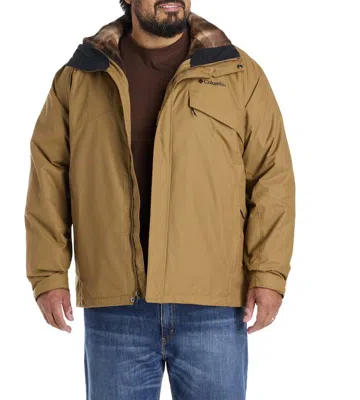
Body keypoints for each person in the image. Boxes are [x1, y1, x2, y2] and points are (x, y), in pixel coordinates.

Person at [24, 1, 296, 398]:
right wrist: (48, 274)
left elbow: (272, 177)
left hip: (214, 305)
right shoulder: (81, 75)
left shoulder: (238, 72)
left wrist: (268, 275)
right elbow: (48, 176)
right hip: (116, 306)